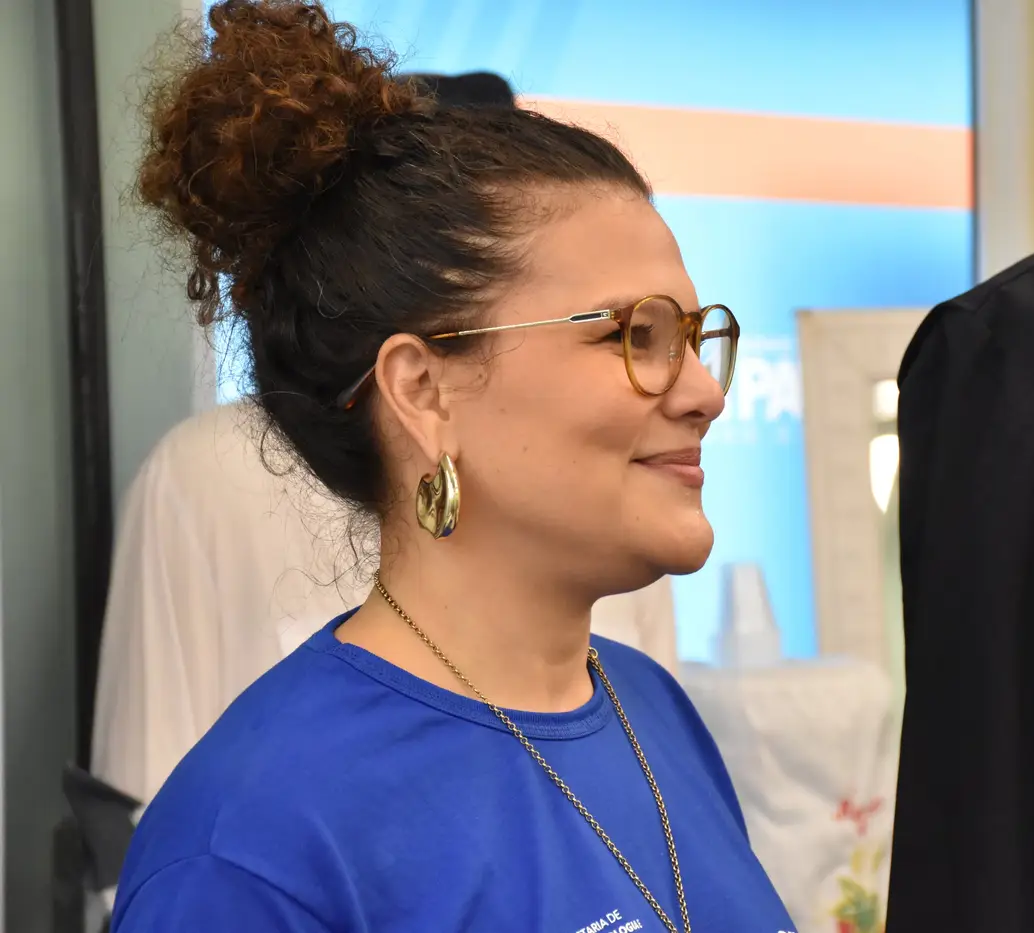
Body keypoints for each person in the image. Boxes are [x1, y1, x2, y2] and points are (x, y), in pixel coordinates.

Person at [111, 2, 792, 931]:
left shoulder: (654, 713)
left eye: (694, 335)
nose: (704, 393)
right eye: (635, 335)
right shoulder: (256, 848)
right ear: (424, 391)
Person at [92, 400, 682, 812]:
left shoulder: (625, 509)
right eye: (621, 334)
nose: (701, 394)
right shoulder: (209, 477)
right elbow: (149, 819)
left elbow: (668, 817)